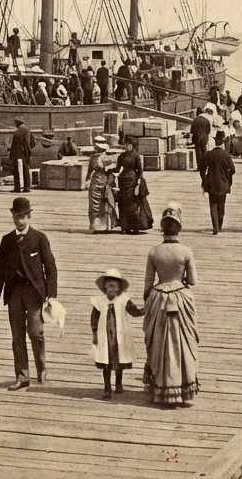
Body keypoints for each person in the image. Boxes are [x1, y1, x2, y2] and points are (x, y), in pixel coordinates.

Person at [0, 197, 58, 390]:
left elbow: (51, 268)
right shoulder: (7, 240)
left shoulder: (39, 238)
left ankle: (41, 368)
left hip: (34, 292)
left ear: (29, 216)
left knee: (36, 332)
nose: (19, 221)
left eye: (22, 217)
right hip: (14, 293)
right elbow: (0, 270)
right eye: (15, 216)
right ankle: (22, 375)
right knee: (17, 335)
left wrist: (51, 294)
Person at [142, 205, 200, 406]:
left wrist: (146, 303)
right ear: (179, 227)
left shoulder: (154, 251)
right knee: (182, 342)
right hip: (180, 297)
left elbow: (148, 283)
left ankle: (160, 383)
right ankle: (182, 385)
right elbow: (192, 280)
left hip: (158, 297)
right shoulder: (185, 251)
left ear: (162, 228)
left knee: (159, 342)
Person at [90, 269, 145, 399]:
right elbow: (94, 319)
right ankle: (107, 388)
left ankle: (119, 384)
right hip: (105, 337)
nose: (111, 290)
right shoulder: (99, 302)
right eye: (109, 286)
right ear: (104, 288)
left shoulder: (124, 300)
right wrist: (94, 333)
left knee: (120, 359)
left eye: (114, 286)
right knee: (106, 362)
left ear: (119, 288)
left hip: (120, 336)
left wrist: (146, 310)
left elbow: (134, 312)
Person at [201, 131, 236, 235]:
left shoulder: (209, 154)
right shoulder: (226, 155)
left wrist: (204, 179)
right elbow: (233, 170)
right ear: (223, 142)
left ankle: (215, 227)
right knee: (221, 205)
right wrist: (228, 177)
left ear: (215, 141)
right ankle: (219, 225)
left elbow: (202, 169)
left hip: (211, 182)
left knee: (212, 204)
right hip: (223, 183)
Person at [115, 136, 151, 234]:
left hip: (133, 182)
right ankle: (124, 227)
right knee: (122, 204)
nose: (127, 147)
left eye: (128, 145)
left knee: (133, 206)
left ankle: (135, 227)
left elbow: (140, 171)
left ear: (132, 146)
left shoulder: (136, 156)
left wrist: (138, 184)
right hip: (123, 181)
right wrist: (106, 169)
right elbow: (117, 169)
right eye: (125, 145)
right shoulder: (121, 156)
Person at [87, 143, 118, 234]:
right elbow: (90, 171)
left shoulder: (109, 157)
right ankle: (98, 227)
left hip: (105, 182)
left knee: (105, 204)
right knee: (97, 206)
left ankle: (104, 227)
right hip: (97, 183)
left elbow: (89, 171)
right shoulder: (95, 158)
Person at [9, 118, 34, 193]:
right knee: (25, 170)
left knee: (16, 170)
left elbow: (24, 143)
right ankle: (27, 187)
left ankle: (17, 188)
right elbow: (29, 143)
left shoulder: (18, 131)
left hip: (18, 153)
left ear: (17, 123)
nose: (15, 124)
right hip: (24, 152)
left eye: (15, 123)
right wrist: (29, 153)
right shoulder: (27, 130)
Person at [190, 108, 213, 180]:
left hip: (197, 137)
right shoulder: (206, 120)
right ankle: (205, 166)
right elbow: (208, 131)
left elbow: (192, 131)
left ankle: (199, 167)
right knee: (204, 151)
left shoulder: (195, 120)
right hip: (204, 137)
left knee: (198, 152)